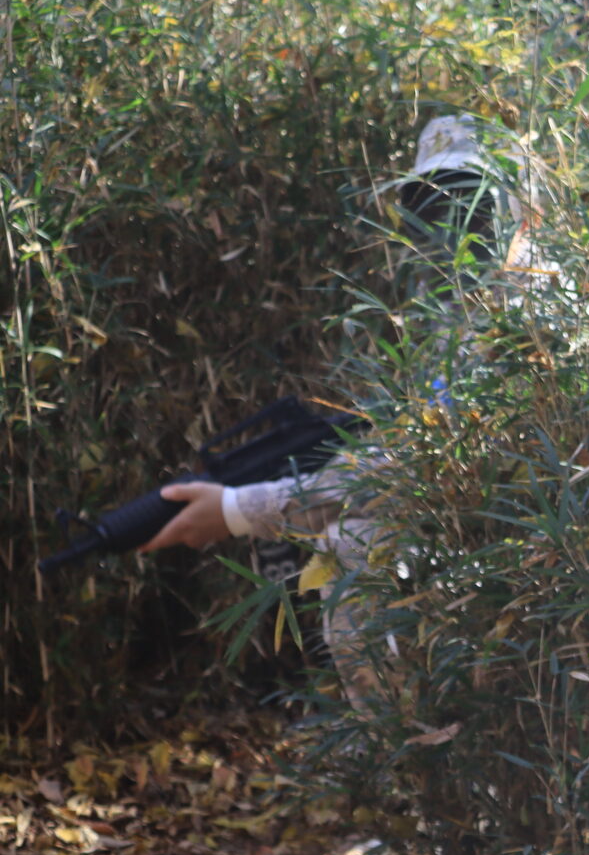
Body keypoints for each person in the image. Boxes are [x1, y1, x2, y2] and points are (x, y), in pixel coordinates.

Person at [137, 115, 537, 706]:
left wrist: (244, 508)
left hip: (530, 548)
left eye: (473, 204)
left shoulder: (528, 319)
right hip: (473, 533)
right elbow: (409, 455)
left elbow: (415, 474)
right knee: (349, 532)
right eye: (437, 207)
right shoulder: (456, 323)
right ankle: (384, 730)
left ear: (516, 208)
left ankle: (402, 739)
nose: (455, 227)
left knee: (356, 541)